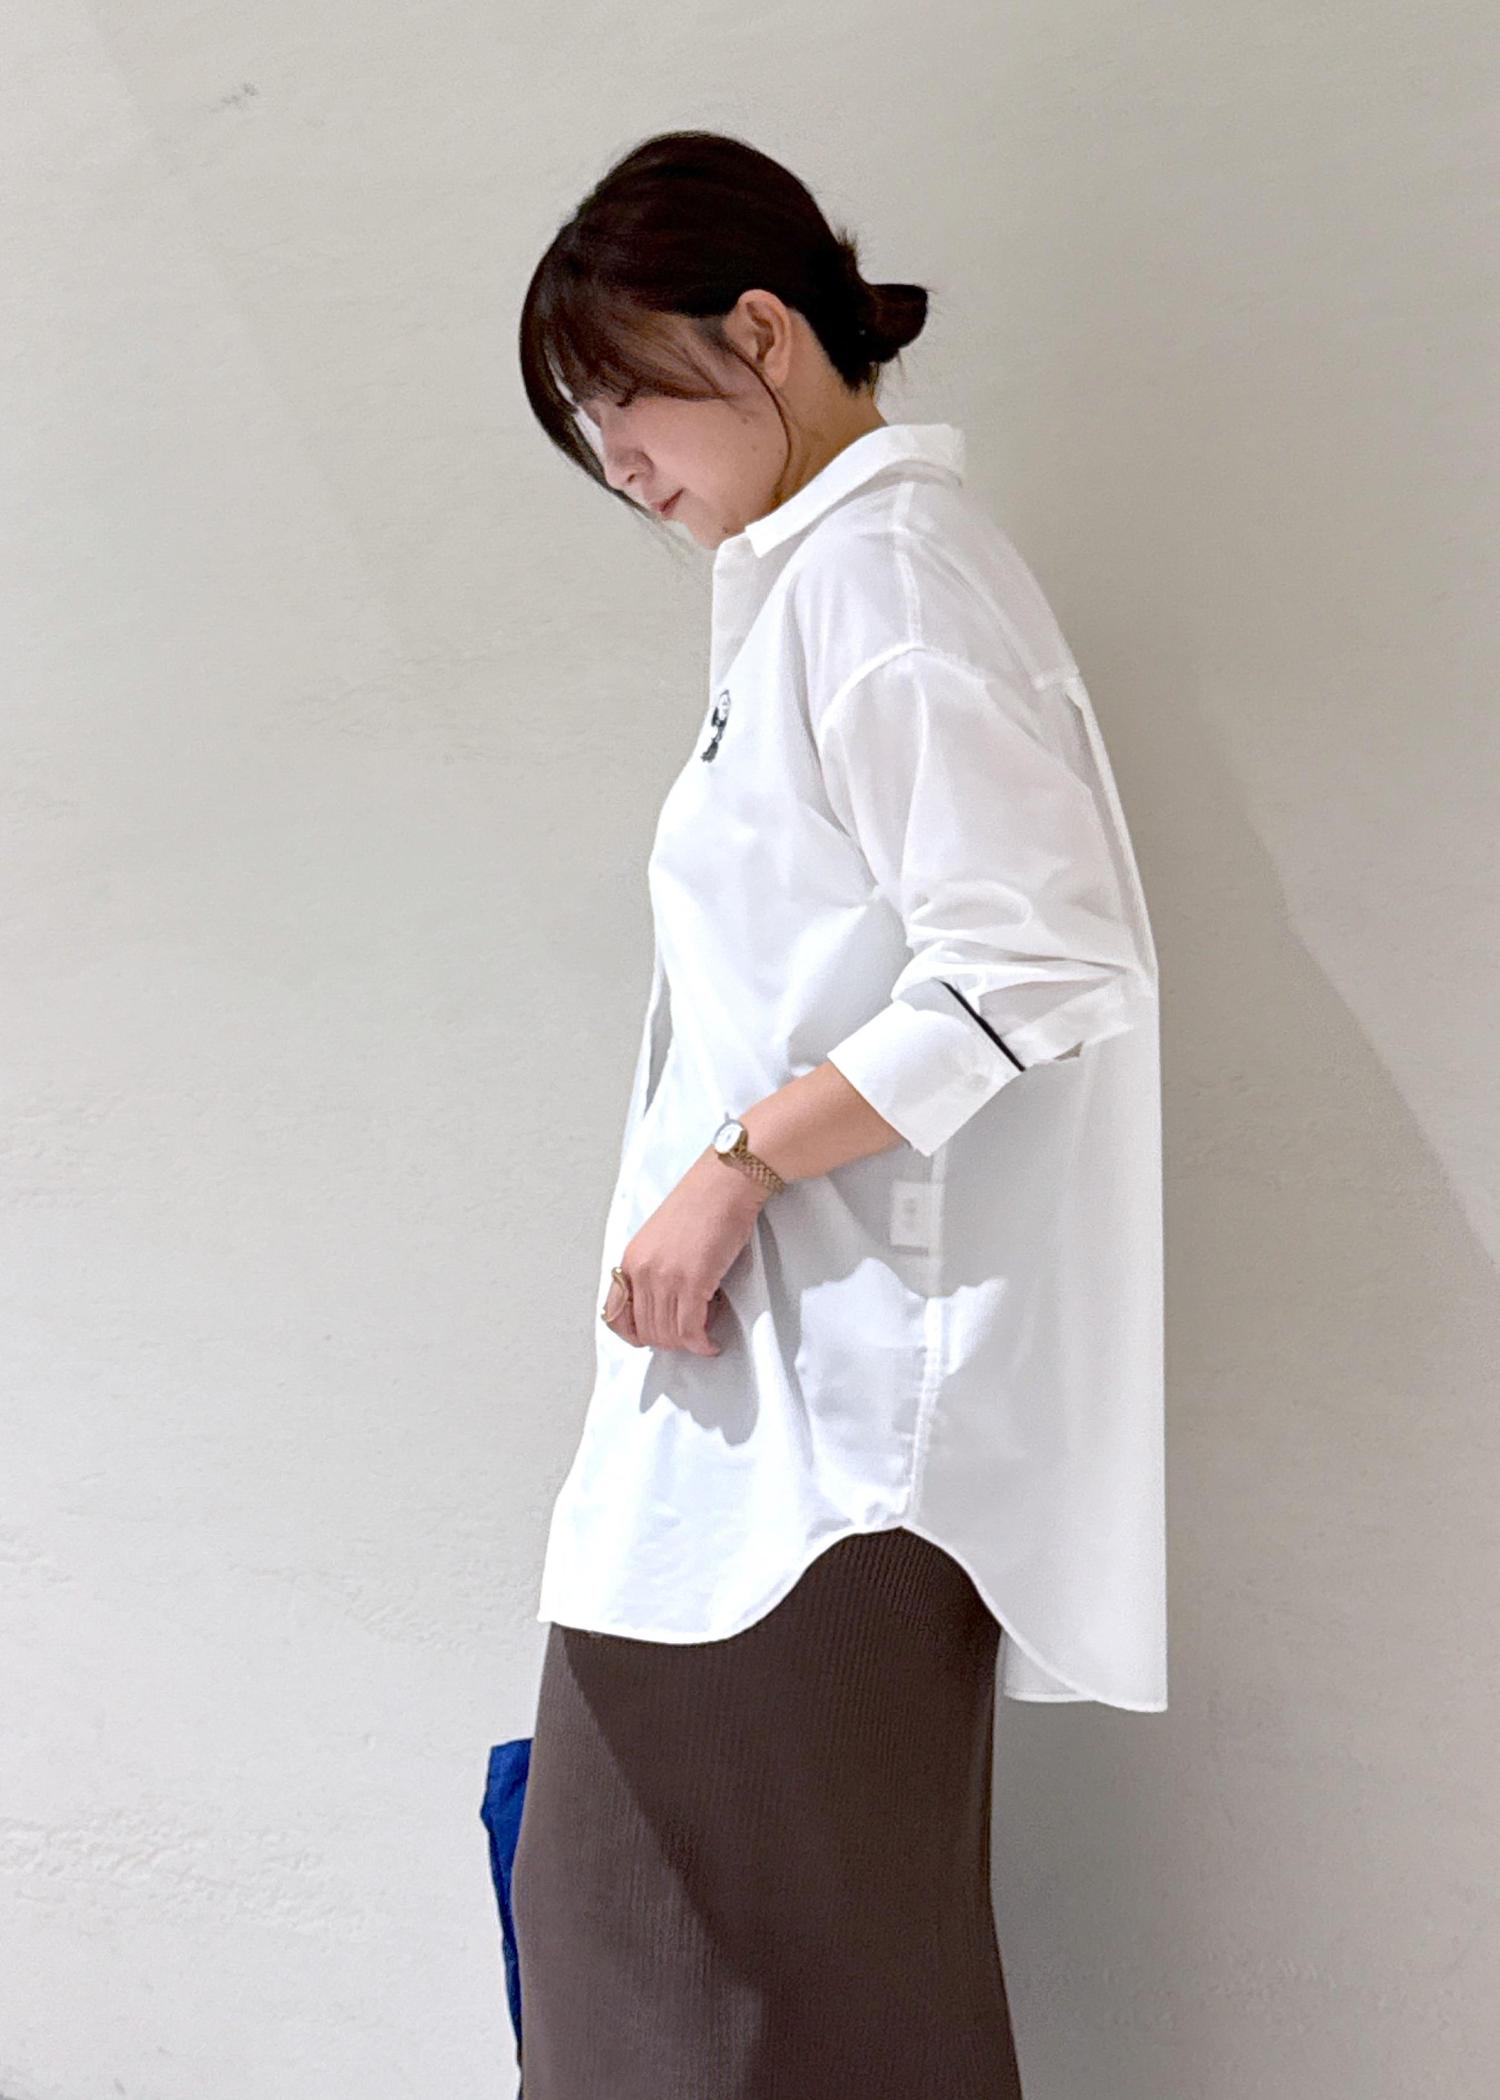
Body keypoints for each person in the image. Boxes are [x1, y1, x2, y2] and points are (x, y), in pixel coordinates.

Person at [509, 127, 1165, 2099]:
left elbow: (1039, 951)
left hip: (839, 1446)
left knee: (736, 1974)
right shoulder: (821, 578)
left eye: (622, 398)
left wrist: (736, 1169)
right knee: (717, 1961)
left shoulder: (883, 574)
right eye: (585, 430)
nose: (617, 464)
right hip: (778, 1420)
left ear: (762, 332)